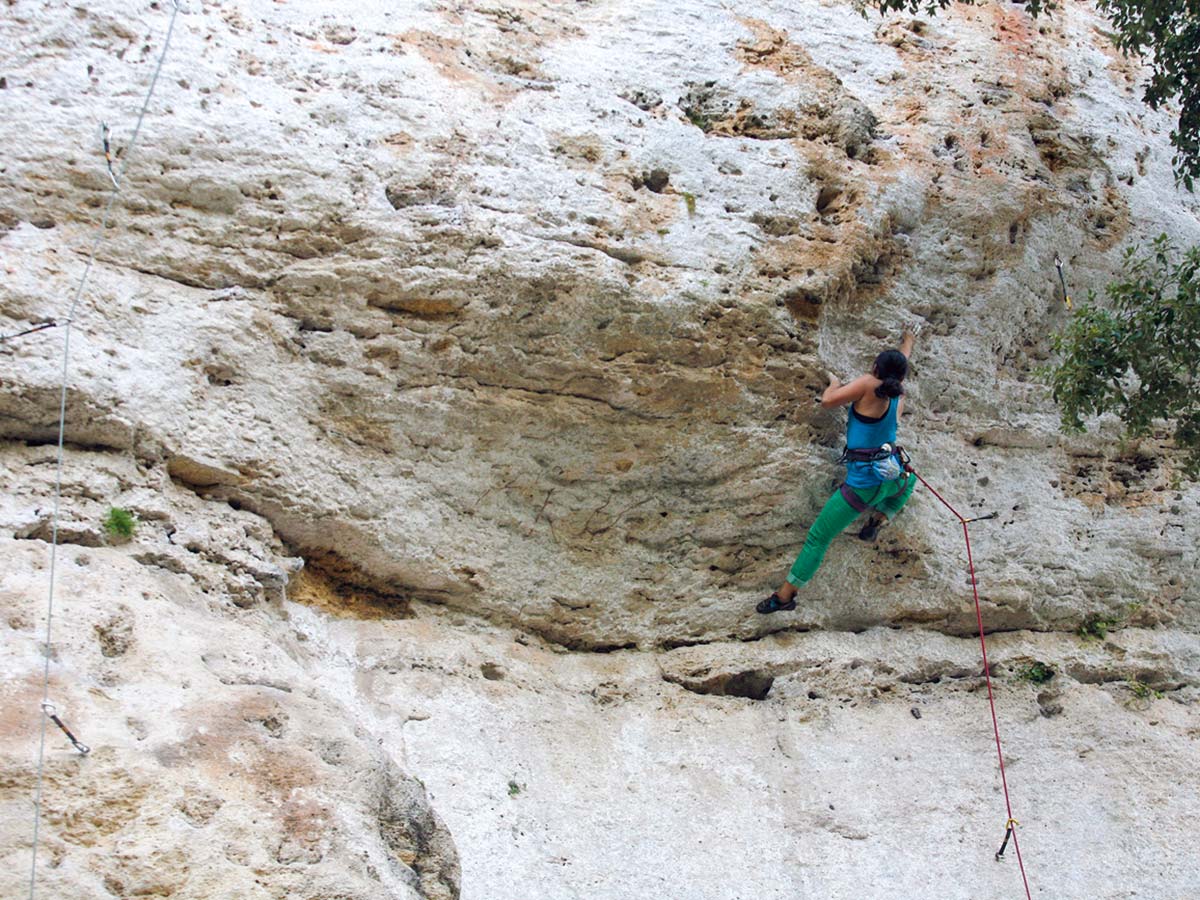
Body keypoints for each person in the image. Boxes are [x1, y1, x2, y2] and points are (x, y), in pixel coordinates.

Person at [756, 329, 918, 614]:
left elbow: (829, 401)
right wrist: (909, 342)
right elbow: (899, 367)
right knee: (911, 479)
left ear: (875, 368)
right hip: (893, 479)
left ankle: (784, 597)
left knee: (818, 537)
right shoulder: (898, 396)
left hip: (862, 487)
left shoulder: (868, 384)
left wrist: (834, 382)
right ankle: (881, 517)